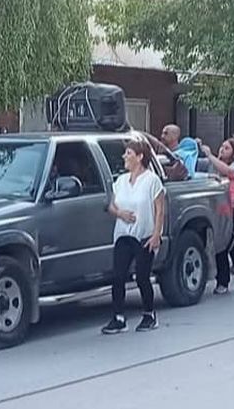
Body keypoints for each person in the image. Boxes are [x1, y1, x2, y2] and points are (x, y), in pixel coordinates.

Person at [102, 140, 165, 334]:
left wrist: (156, 234)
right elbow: (111, 205)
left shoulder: (152, 180)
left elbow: (160, 209)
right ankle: (119, 317)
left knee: (142, 277)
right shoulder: (121, 181)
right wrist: (120, 214)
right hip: (123, 234)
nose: (124, 157)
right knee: (118, 275)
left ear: (140, 157)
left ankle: (149, 314)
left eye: (128, 153)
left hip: (144, 235)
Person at [200, 138, 234, 293]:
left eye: (227, 148)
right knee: (220, 246)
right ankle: (222, 281)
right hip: (220, 209)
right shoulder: (214, 165)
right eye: (221, 147)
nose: (222, 150)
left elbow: (229, 173)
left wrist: (210, 155)